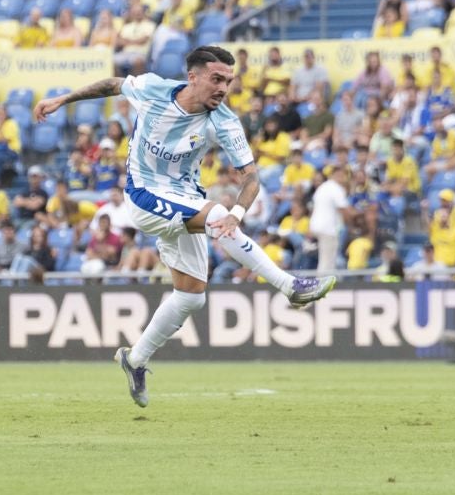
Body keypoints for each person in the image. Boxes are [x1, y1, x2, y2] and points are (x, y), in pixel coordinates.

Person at [35, 46, 334, 407]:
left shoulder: (224, 121)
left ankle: (136, 358)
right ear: (192, 77)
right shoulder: (153, 89)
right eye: (216, 79)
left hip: (185, 198)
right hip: (144, 195)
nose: (223, 88)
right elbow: (113, 85)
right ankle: (290, 286)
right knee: (213, 215)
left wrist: (237, 215)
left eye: (228, 81)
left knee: (192, 296)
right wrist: (63, 99)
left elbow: (251, 178)